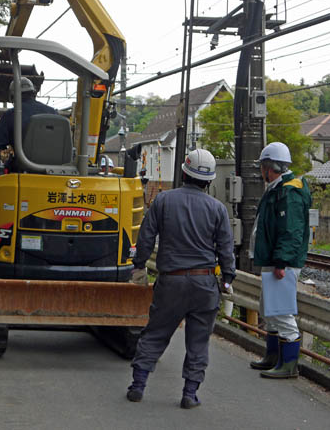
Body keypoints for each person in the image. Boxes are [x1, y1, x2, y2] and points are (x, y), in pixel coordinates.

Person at [127, 148, 235, 409]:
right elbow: (225, 249)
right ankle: (189, 394)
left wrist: (139, 265)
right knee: (198, 341)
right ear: (208, 180)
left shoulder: (164, 201)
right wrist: (228, 278)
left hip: (171, 282)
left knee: (155, 333)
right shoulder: (217, 209)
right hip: (204, 283)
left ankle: (138, 385)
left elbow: (146, 236)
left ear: (184, 173)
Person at [249, 141, 311, 379]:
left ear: (271, 166)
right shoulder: (278, 187)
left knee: (282, 312)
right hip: (274, 260)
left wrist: (281, 262)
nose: (261, 171)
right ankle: (273, 358)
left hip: (281, 263)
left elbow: (291, 231)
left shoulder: (290, 192)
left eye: (263, 166)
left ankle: (288, 365)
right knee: (269, 310)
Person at [0, 76, 57, 151]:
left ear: (12, 97)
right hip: (54, 161)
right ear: (33, 93)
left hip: (23, 162)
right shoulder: (53, 112)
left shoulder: (11, 114)